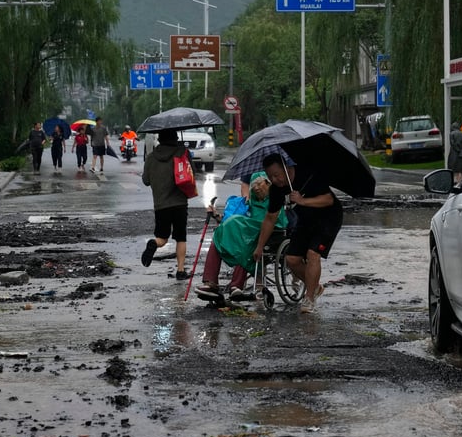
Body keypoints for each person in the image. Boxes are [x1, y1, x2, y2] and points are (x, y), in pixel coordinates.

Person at [253, 152, 343, 313]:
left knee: (312, 254)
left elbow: (329, 199)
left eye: (277, 175)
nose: (274, 180)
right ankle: (314, 286)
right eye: (270, 176)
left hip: (328, 218)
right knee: (292, 259)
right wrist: (260, 246)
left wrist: (302, 201)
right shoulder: (276, 190)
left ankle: (309, 299)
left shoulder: (308, 175)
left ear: (287, 169)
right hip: (305, 221)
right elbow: (270, 218)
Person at [195, 172, 289, 301]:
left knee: (243, 242)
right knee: (219, 237)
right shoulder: (247, 202)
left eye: (259, 185)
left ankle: (236, 285)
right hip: (248, 233)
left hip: (268, 234)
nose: (256, 189)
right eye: (254, 186)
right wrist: (216, 215)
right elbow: (228, 220)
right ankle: (211, 283)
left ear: (268, 184)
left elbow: (277, 222)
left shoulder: (276, 199)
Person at [140, 129, 193, 280]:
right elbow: (191, 173)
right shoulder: (182, 153)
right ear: (175, 138)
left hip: (161, 204)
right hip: (179, 202)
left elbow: (146, 180)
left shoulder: (151, 157)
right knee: (180, 237)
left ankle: (153, 243)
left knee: (162, 238)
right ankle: (181, 270)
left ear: (160, 139)